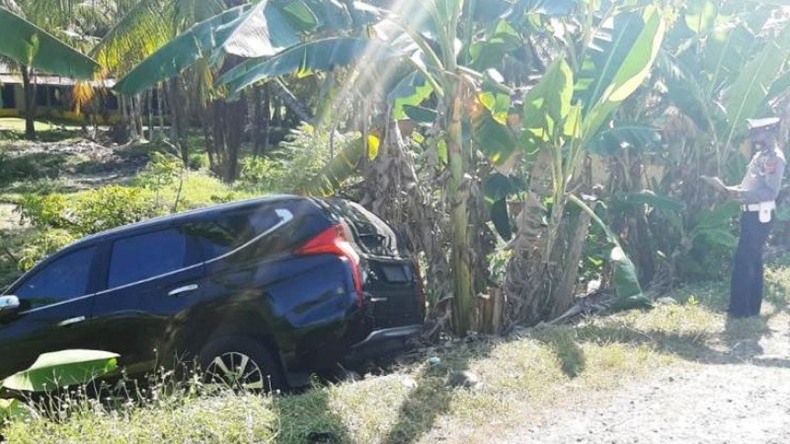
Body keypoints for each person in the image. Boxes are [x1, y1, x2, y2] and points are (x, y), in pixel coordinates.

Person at [701, 117, 786, 318]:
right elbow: (750, 186)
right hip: (750, 213)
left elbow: (770, 192)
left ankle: (740, 311)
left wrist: (738, 195)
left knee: (744, 260)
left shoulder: (774, 158)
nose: (755, 137)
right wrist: (727, 189)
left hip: (760, 215)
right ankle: (749, 309)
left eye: (759, 132)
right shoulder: (760, 156)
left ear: (770, 133)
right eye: (754, 133)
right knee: (753, 260)